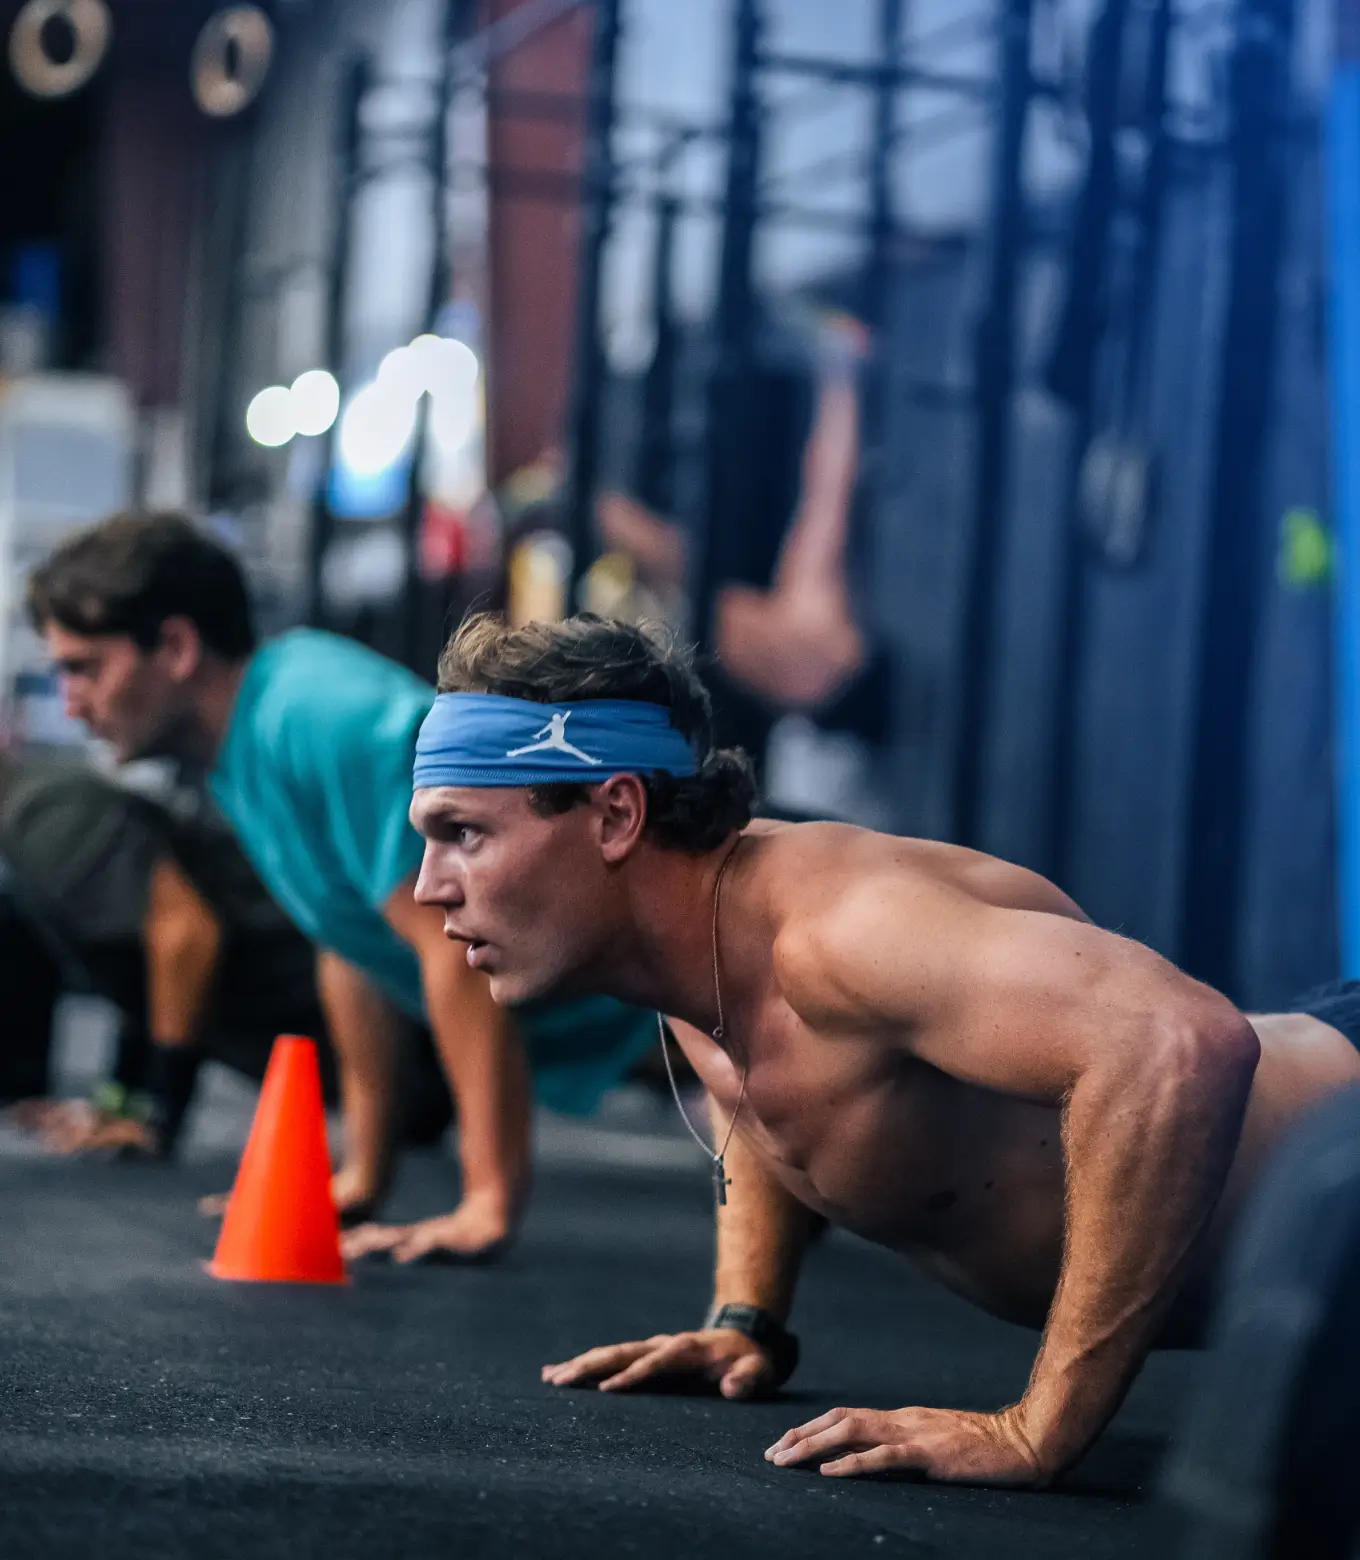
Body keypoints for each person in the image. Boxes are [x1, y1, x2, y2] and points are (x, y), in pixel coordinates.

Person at [406, 611, 1360, 1486]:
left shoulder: (846, 932)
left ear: (616, 816)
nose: (426, 887)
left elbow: (1181, 1043)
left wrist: (1039, 1430)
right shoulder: (682, 942)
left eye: (463, 835)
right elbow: (759, 1085)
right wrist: (746, 1316)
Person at [27, 513, 655, 1262]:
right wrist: (365, 1172)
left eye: (85, 668)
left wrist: (486, 1200)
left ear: (176, 647)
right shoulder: (241, 752)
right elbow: (351, 946)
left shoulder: (311, 713)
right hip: (640, 1029)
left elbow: (448, 944)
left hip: (684, 995)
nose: (70, 702)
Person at [0, 747, 339, 1159]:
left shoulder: (42, 814)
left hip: (344, 1030)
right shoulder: (33, 812)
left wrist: (158, 1115)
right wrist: (119, 1105)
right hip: (324, 1039)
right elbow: (139, 963)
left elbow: (184, 935)